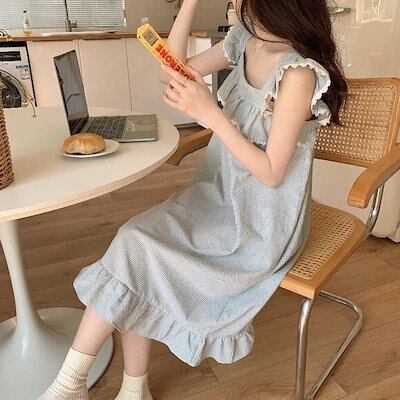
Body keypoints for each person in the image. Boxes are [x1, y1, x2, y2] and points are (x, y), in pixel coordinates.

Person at [37, 0, 347, 399]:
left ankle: (77, 386)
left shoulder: (298, 73)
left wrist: (212, 114)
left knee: (140, 249)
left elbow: (271, 173)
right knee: (136, 242)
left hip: (262, 221)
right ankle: (120, 387)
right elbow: (171, 69)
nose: (236, 5)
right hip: (217, 193)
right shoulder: (245, 40)